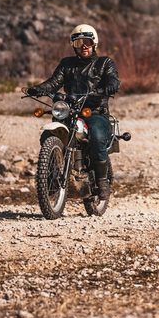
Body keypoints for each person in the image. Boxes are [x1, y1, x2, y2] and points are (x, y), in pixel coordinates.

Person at [26, 24, 120, 200]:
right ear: (73, 45)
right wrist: (38, 89)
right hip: (70, 109)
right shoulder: (66, 64)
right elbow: (54, 82)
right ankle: (51, 175)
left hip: (94, 111)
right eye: (78, 43)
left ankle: (102, 181)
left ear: (94, 43)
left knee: (97, 136)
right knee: (49, 134)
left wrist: (107, 88)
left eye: (87, 42)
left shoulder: (104, 63)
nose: (83, 46)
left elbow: (113, 81)